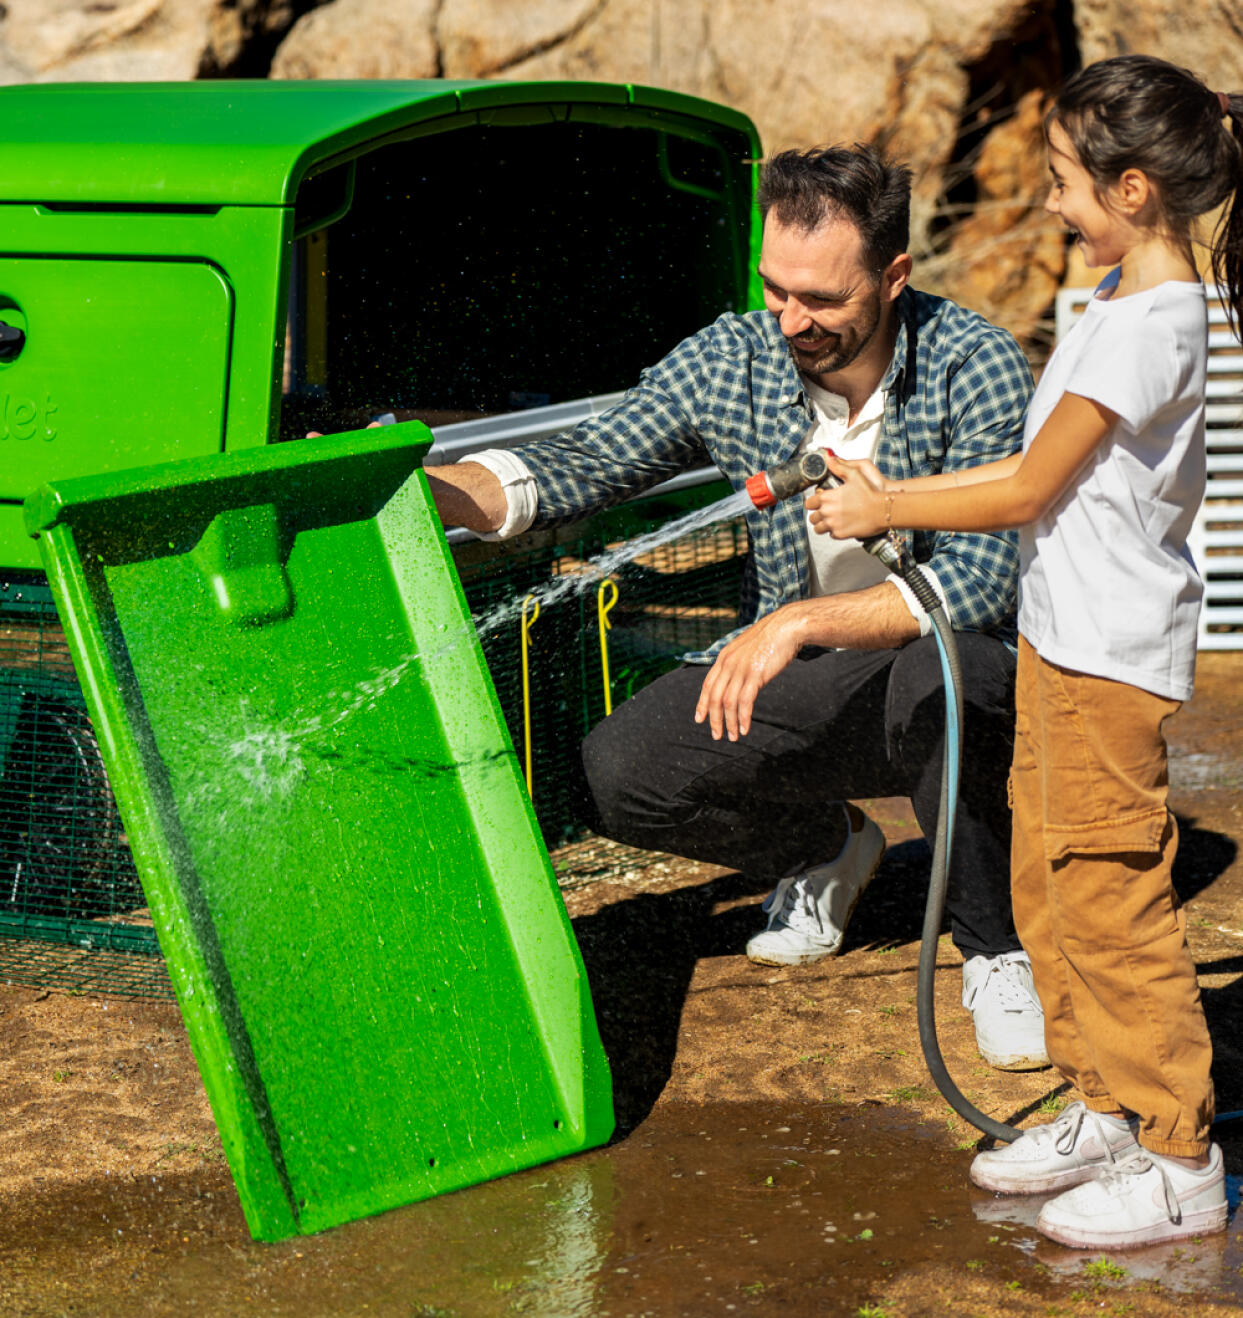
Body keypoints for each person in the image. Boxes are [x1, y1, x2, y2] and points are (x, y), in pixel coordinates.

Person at [428, 142, 1049, 1072]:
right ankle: (826, 847)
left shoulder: (974, 363)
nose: (793, 320)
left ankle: (994, 949)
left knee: (941, 673)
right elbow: (586, 463)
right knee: (618, 771)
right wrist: (424, 491)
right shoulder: (733, 357)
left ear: (893, 275)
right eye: (776, 290)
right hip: (813, 678)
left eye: (824, 300)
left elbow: (979, 582)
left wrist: (793, 622)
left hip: (952, 666)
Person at [814, 55, 1243, 1249]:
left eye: (1064, 183)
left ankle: (1175, 1155)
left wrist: (886, 507)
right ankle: (1104, 1103)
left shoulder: (1150, 325)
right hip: (1065, 644)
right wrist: (891, 491)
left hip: (1108, 660)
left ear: (1137, 189)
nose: (1051, 204)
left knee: (1111, 901)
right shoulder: (1112, 301)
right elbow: (1027, 477)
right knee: (1051, 891)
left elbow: (1023, 487)